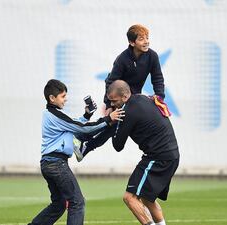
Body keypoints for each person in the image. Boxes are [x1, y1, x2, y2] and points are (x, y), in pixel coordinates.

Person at [28, 79, 124, 225]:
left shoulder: (52, 114)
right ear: (52, 98)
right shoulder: (54, 115)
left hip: (49, 163)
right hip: (56, 164)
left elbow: (74, 124)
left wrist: (86, 115)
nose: (65, 99)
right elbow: (82, 128)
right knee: (77, 202)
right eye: (62, 96)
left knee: (59, 205)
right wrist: (107, 119)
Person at [73, 24, 166, 161]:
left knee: (113, 125)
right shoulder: (122, 59)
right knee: (112, 123)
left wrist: (159, 99)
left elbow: (157, 78)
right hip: (120, 100)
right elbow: (110, 81)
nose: (146, 41)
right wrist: (109, 105)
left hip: (134, 100)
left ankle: (83, 141)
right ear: (131, 42)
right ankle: (84, 142)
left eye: (147, 38)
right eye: (141, 39)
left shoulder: (152, 56)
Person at [108, 80, 179, 225]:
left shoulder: (128, 112)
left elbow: (117, 145)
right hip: (171, 155)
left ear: (125, 96)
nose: (112, 105)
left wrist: (113, 121)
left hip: (158, 157)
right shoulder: (142, 98)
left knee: (129, 197)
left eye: (114, 101)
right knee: (147, 198)